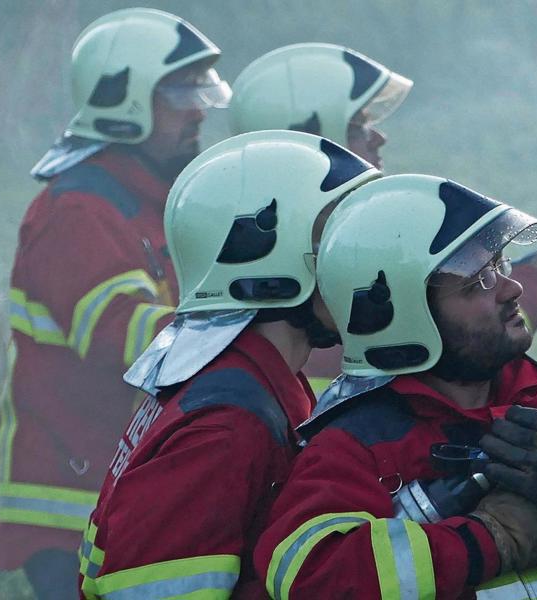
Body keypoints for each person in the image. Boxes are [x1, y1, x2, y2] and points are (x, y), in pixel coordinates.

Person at [254, 174, 537, 599]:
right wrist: (488, 541)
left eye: (501, 263)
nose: (511, 288)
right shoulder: (358, 448)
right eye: (478, 281)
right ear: (402, 315)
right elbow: (309, 579)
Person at [77, 130, 380, 599]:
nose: (359, 261)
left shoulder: (253, 381)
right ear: (269, 263)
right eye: (335, 241)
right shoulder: (227, 424)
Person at [0, 9, 230, 598]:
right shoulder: (79, 213)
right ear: (122, 101)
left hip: (113, 499)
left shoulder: (145, 202)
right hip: (69, 512)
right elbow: (134, 344)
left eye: (201, 90)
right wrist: (265, 322)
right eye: (179, 93)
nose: (198, 109)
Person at [229, 43, 537, 393]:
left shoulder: (265, 238)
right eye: (358, 127)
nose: (380, 139)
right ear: (309, 140)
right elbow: (427, 338)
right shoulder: (280, 264)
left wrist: (493, 275)